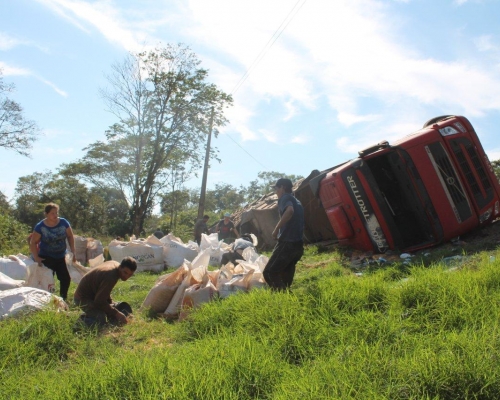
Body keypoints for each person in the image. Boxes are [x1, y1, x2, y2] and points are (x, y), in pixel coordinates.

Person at [263, 178, 304, 291]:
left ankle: (285, 296)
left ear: (282, 187)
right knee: (285, 275)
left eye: (276, 188)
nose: (275, 191)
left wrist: (276, 230)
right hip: (298, 245)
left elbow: (289, 211)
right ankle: (286, 300)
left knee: (269, 272)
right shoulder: (297, 201)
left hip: (287, 243)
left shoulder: (284, 198)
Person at [29, 202, 77, 301]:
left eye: (56, 213)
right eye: (52, 213)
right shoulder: (40, 226)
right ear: (46, 214)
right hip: (46, 257)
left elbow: (70, 236)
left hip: (61, 256)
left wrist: (73, 252)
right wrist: (37, 258)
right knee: (47, 279)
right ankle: (48, 300)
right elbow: (33, 242)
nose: (55, 215)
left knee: (65, 278)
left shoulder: (63, 222)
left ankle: (63, 298)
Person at [73, 257, 137, 326]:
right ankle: (82, 320)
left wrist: (112, 305)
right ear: (120, 267)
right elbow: (99, 301)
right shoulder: (111, 275)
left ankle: (95, 313)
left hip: (95, 296)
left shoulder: (116, 266)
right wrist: (117, 313)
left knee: (124, 307)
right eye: (125, 272)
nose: (126, 276)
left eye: (130, 275)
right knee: (101, 320)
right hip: (82, 299)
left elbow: (104, 290)